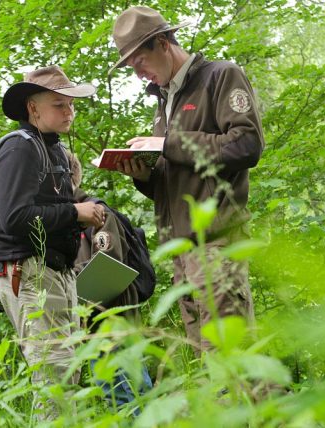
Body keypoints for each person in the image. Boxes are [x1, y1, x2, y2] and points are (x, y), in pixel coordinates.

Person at [109, 6, 265, 354]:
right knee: (207, 359)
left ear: (163, 43)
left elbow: (247, 144)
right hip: (182, 253)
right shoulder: (165, 100)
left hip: (217, 244)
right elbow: (179, 177)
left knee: (233, 358)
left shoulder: (220, 77)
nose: (139, 76)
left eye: (140, 64)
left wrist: (167, 144)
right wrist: (143, 175)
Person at [0, 65, 103, 416]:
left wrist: (86, 213)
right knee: (54, 375)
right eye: (59, 104)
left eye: (71, 104)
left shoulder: (54, 150)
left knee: (67, 370)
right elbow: (15, 218)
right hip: (27, 269)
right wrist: (75, 213)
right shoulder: (18, 150)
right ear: (32, 108)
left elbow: (51, 207)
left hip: (56, 271)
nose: (69, 111)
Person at [68, 152, 153, 414]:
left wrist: (64, 279)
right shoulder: (59, 218)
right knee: (115, 393)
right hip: (90, 325)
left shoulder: (95, 211)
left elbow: (106, 264)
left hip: (113, 320)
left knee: (129, 391)